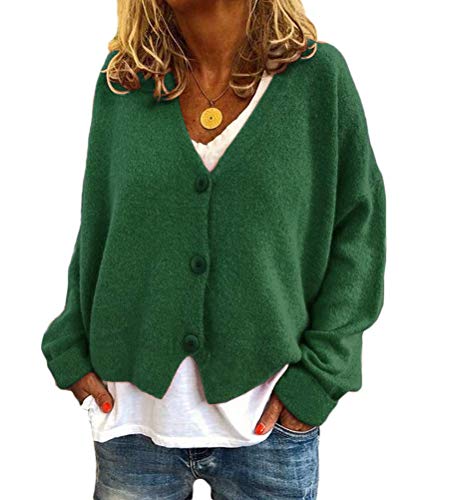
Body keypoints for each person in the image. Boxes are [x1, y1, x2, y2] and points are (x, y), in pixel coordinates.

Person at [41, 1, 386, 498]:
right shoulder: (124, 82)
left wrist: (321, 376)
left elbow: (359, 231)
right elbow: (99, 223)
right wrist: (69, 346)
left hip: (268, 427)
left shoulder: (317, 79)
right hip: (132, 424)